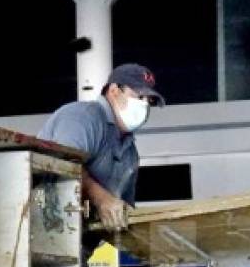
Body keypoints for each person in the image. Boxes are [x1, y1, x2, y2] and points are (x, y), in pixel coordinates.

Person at [38, 63, 165, 232]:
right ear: (114, 90)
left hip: (83, 241)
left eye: (149, 101)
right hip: (41, 228)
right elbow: (64, 166)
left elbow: (123, 210)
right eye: (139, 96)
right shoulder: (82, 117)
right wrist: (103, 199)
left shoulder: (130, 154)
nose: (145, 105)